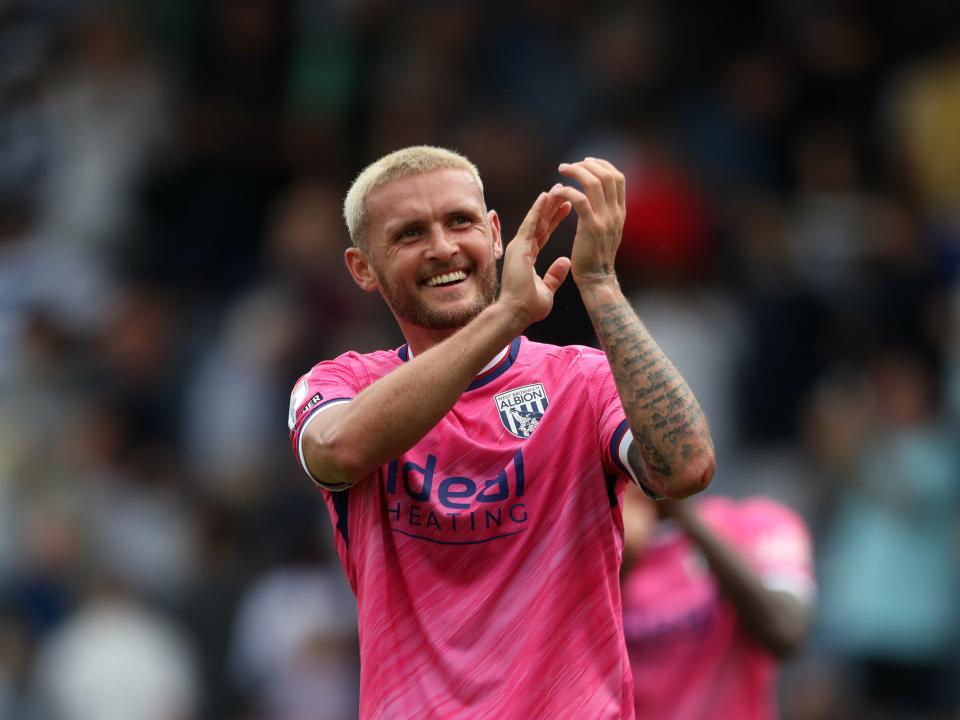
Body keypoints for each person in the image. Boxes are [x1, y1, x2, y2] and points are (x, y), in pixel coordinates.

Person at [287, 145, 716, 718]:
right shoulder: (341, 382)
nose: (442, 247)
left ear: (494, 233)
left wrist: (601, 283)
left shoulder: (580, 382)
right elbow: (337, 451)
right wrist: (507, 315)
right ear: (363, 267)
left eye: (459, 221)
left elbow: (685, 468)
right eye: (410, 234)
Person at [620, 483, 814, 720]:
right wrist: (619, 554)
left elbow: (785, 631)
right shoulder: (595, 549)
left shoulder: (754, 525)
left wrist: (682, 516)